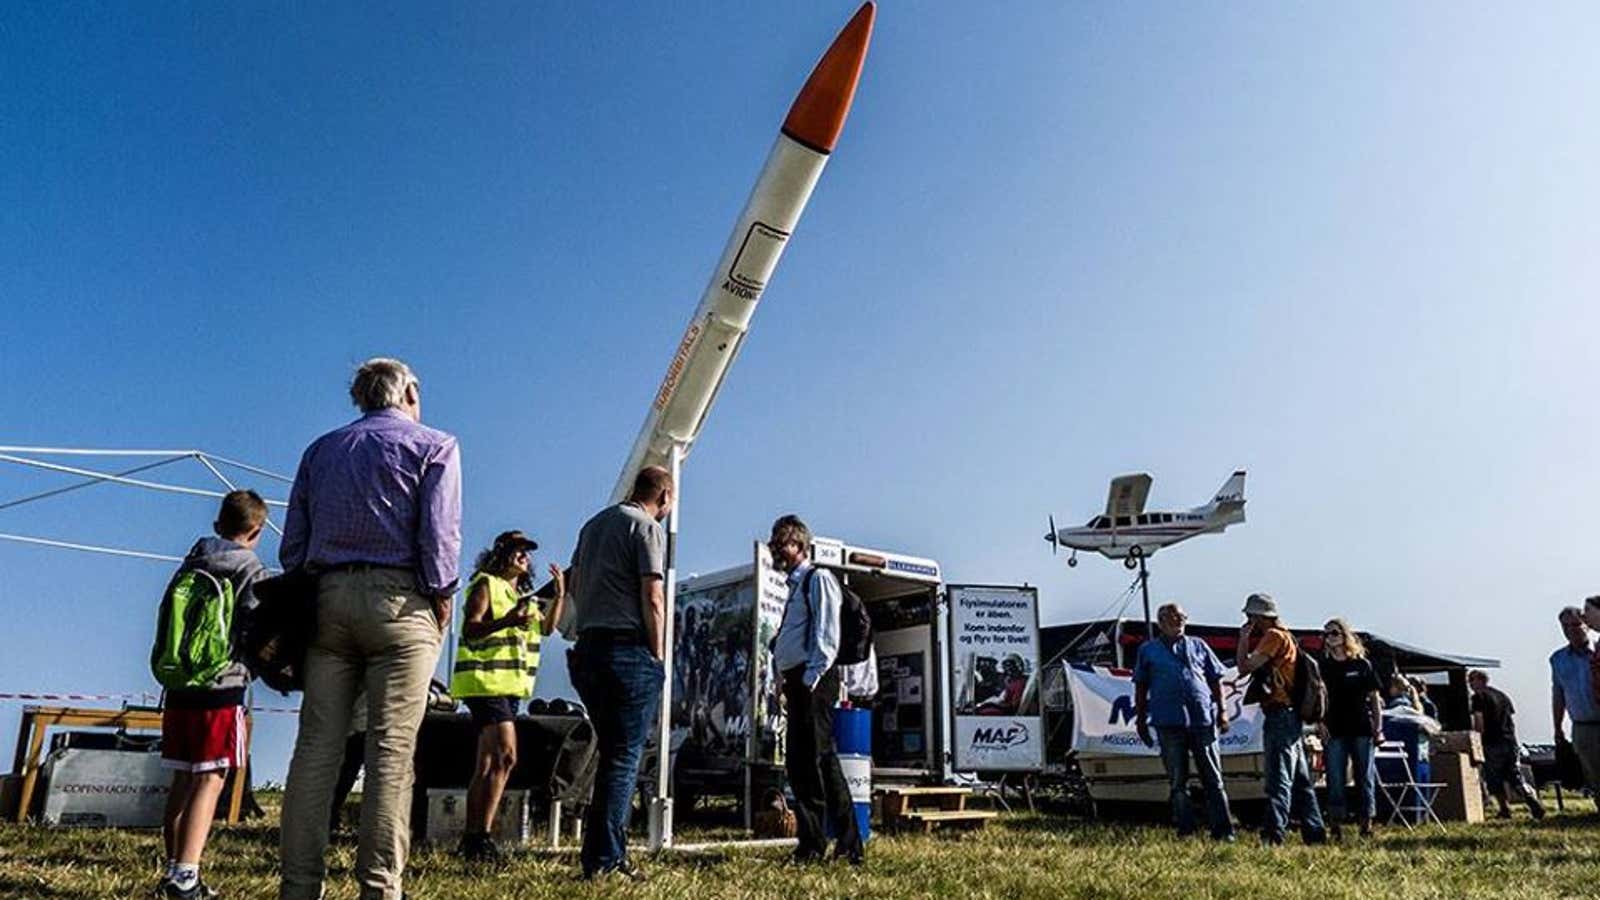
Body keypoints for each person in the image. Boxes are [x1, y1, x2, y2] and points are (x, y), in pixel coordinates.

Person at [277, 358, 462, 900]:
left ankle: (299, 887)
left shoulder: (320, 450)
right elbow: (439, 534)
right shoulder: (435, 446)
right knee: (391, 752)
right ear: (407, 392)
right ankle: (380, 888)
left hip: (327, 599)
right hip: (402, 601)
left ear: (361, 397)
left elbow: (294, 542)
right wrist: (441, 594)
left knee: (315, 750)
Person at [155, 490, 270, 899]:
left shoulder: (192, 561)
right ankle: (186, 875)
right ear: (256, 531)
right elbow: (255, 627)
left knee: (182, 777)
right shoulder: (251, 568)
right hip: (223, 684)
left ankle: (173, 869)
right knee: (212, 778)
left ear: (218, 525)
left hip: (180, 682)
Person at [566, 466, 673, 880]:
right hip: (627, 650)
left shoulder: (593, 526)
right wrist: (657, 655)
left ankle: (597, 855)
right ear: (664, 497)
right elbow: (653, 595)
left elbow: (574, 585)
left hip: (589, 648)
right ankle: (608, 860)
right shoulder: (646, 528)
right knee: (624, 758)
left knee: (611, 755)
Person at [449, 530, 565, 862]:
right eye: (516, 550)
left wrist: (558, 596)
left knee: (489, 763)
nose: (523, 556)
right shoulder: (486, 584)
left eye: (526, 552)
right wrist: (507, 621)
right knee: (506, 757)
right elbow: (471, 627)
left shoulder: (522, 598)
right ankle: (480, 836)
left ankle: (473, 839)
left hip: (508, 687)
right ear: (500, 554)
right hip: (485, 682)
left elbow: (546, 630)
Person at [770, 514, 864, 866]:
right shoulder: (795, 587)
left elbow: (827, 636)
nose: (777, 548)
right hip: (799, 681)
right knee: (804, 763)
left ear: (801, 546)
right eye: (774, 542)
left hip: (814, 681)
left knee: (816, 762)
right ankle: (829, 842)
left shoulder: (818, 579)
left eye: (783, 542)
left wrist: (808, 680)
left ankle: (829, 845)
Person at [1132, 602, 1235, 841]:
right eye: (1172, 617)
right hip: (1168, 721)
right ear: (1161, 622)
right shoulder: (1148, 650)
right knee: (1178, 781)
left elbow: (1216, 679)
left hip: (1202, 719)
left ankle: (1223, 831)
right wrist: (1140, 719)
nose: (1178, 620)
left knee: (1213, 778)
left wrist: (1223, 711)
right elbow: (1140, 684)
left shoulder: (1198, 645)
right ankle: (1186, 830)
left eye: (1181, 616)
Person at [1236, 592, 1325, 845]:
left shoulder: (1273, 637)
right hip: (1291, 714)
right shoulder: (1288, 638)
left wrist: (1243, 639)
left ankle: (1274, 835)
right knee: (1301, 780)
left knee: (1278, 778)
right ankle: (1314, 833)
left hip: (1278, 713)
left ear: (1258, 616)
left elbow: (1245, 667)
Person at [1317, 618, 1383, 838]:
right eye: (1326, 634)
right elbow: (1318, 698)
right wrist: (1320, 722)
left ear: (1345, 635)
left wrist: (1378, 727)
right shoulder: (1323, 666)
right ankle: (1336, 824)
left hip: (1362, 727)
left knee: (1364, 776)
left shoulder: (1361, 664)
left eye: (1334, 633)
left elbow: (1374, 698)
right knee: (1335, 777)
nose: (1330, 638)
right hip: (1334, 728)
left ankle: (1367, 823)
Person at [1468, 669, 1544, 820]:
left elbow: (1479, 722)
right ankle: (1531, 799)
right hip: (1510, 740)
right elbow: (1510, 718)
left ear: (1480, 680)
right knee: (1515, 775)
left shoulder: (1478, 697)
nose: (1470, 684)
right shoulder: (1503, 696)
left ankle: (1504, 808)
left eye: (1471, 680)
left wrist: (1476, 741)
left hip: (1491, 742)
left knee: (1494, 778)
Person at [1550, 606, 1600, 798]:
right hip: (1582, 725)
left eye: (1575, 624)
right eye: (1565, 626)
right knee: (1593, 774)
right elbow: (1558, 695)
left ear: (1587, 625)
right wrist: (1557, 727)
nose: (1571, 630)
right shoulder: (1558, 659)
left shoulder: (1598, 651)